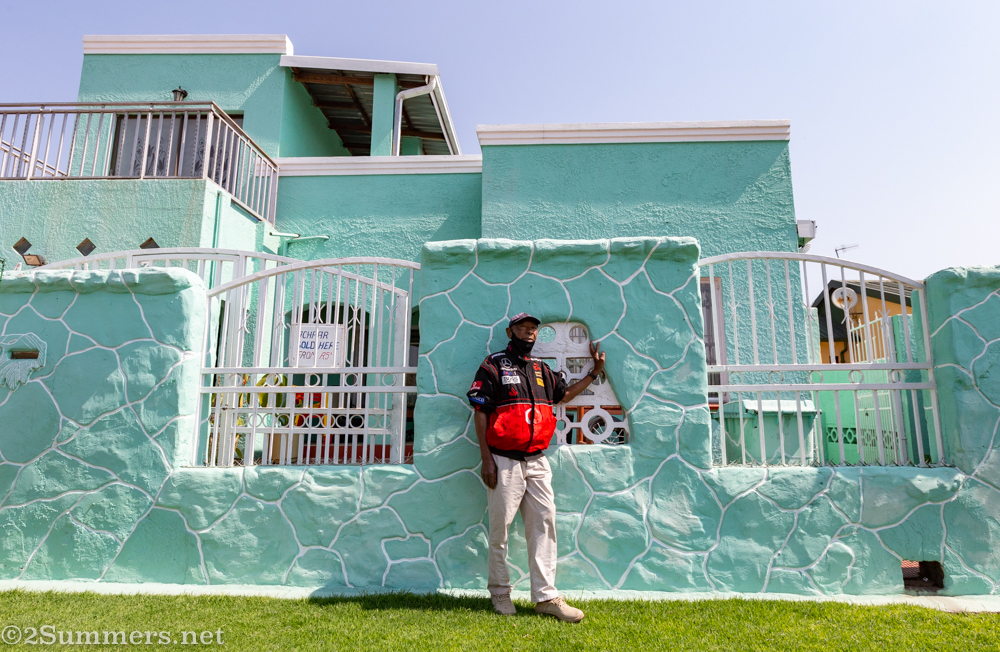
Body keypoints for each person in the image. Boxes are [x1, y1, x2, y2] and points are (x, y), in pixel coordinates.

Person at [466, 313, 606, 622]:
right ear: (510, 331)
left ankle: (545, 597)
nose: (528, 333)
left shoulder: (542, 370)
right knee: (500, 530)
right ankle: (500, 593)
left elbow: (564, 395)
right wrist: (486, 458)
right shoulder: (493, 365)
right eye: (522, 328)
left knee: (544, 526)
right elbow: (480, 411)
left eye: (532, 329)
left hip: (538, 462)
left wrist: (594, 373)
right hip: (503, 461)